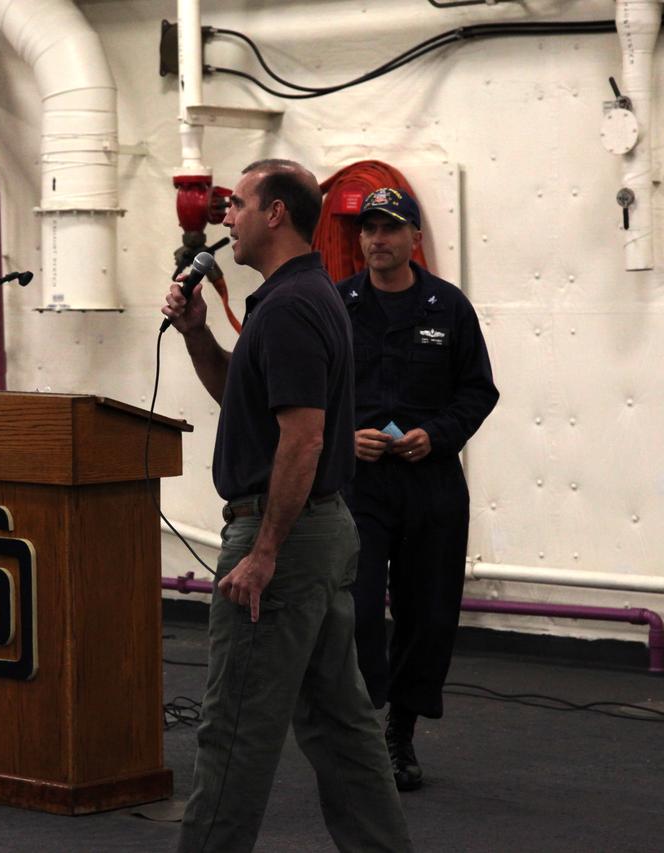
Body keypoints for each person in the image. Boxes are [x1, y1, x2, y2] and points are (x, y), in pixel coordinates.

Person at [162, 159, 411, 853]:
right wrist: (195, 334)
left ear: (275, 214)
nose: (225, 217)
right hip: (317, 533)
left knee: (234, 728)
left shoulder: (294, 307)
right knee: (341, 725)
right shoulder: (292, 298)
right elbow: (248, 406)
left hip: (286, 539)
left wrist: (265, 552)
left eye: (237, 204)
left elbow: (303, 438)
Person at [336, 187, 499, 791]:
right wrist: (344, 437)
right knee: (353, 607)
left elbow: (478, 391)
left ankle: (399, 734)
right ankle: (357, 723)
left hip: (429, 481)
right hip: (361, 485)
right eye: (368, 229)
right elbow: (313, 394)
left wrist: (437, 434)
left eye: (390, 229)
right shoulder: (338, 304)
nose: (377, 239)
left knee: (425, 612)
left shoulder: (447, 307)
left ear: (414, 240)